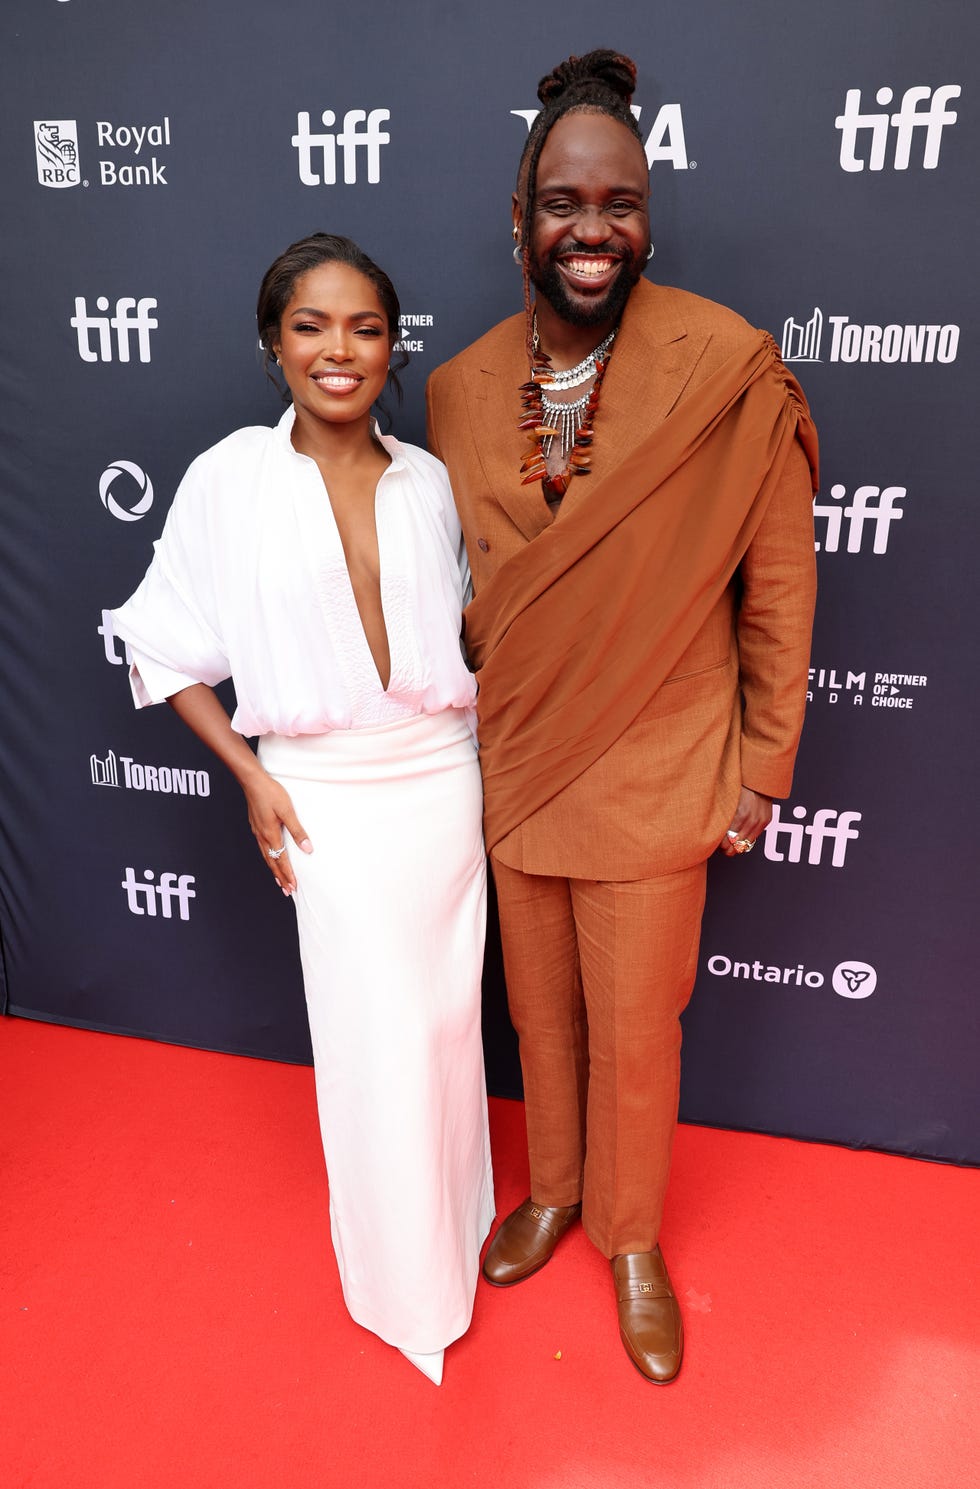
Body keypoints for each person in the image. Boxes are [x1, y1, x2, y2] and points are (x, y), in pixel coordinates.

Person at [426, 51, 818, 1383]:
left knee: (638, 1031)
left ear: (648, 215)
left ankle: (634, 1238)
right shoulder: (460, 387)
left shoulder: (728, 368)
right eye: (563, 202)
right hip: (521, 763)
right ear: (519, 215)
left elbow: (777, 586)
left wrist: (764, 767)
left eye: (619, 203)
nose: (592, 232)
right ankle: (555, 1190)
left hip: (658, 764)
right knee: (539, 1018)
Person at [112, 233, 495, 1386]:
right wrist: (252, 774)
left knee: (441, 1024)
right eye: (312, 326)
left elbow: (481, 643)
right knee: (371, 1037)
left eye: (365, 328)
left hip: (441, 780)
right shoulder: (229, 475)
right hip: (321, 798)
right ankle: (403, 1282)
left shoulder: (429, 478)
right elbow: (163, 641)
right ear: (273, 344)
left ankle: (459, 1213)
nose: (340, 350)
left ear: (392, 346)